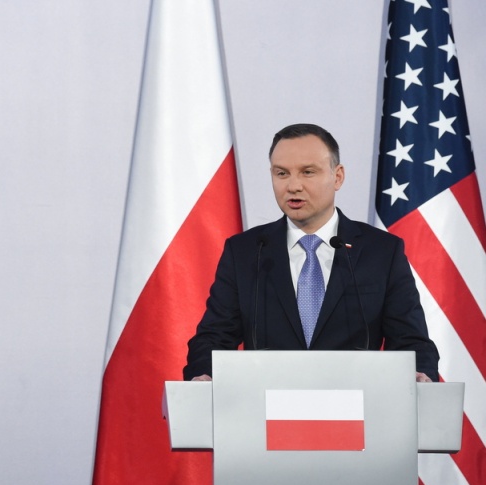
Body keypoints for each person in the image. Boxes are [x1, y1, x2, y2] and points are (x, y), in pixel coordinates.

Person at [184, 123, 438, 383]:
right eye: (282, 173)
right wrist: (203, 374)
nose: (293, 186)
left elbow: (411, 341)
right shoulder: (246, 252)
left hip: (356, 412)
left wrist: (420, 375)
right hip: (267, 411)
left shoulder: (381, 252)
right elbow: (214, 337)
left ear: (337, 177)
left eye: (308, 172)